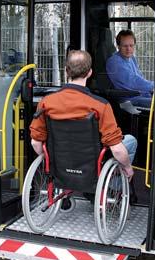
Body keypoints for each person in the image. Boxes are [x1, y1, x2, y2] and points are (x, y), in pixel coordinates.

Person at [30, 50, 137, 180]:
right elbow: (117, 150)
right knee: (130, 140)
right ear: (90, 72)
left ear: (66, 71)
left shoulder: (46, 103)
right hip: (93, 164)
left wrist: (51, 161)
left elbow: (36, 142)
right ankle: (115, 188)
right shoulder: (100, 105)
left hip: (60, 163)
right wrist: (127, 168)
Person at [106, 30, 154, 108]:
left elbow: (140, 77)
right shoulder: (114, 62)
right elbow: (133, 82)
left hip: (137, 94)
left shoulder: (131, 58)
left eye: (131, 45)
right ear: (118, 46)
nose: (128, 49)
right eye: (125, 46)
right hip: (128, 99)